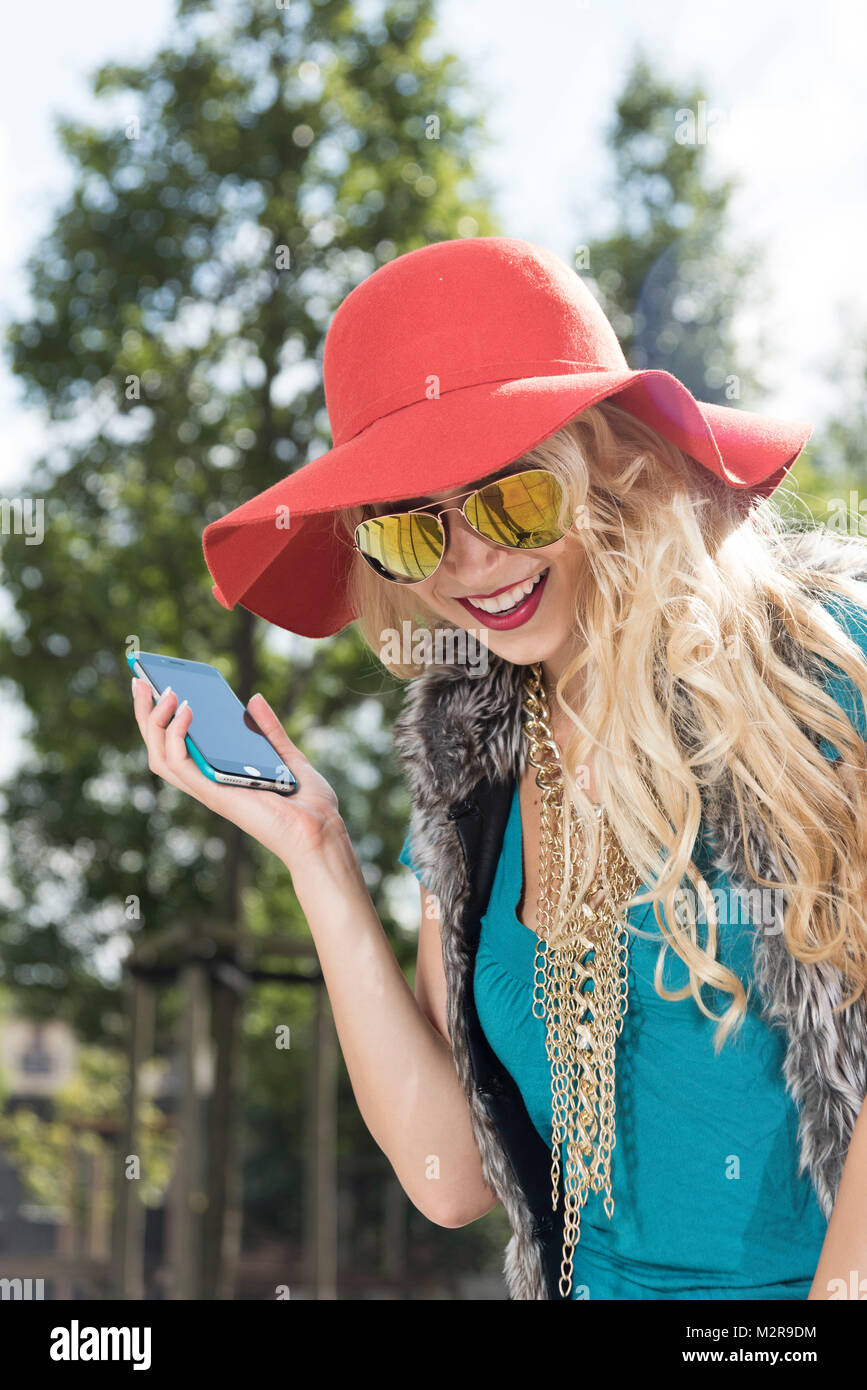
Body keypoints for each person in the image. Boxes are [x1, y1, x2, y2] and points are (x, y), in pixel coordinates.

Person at [133, 237, 867, 1300]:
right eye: (410, 533)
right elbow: (452, 1173)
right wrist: (318, 855)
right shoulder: (466, 768)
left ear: (611, 465)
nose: (471, 565)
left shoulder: (818, 668)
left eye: (513, 501)